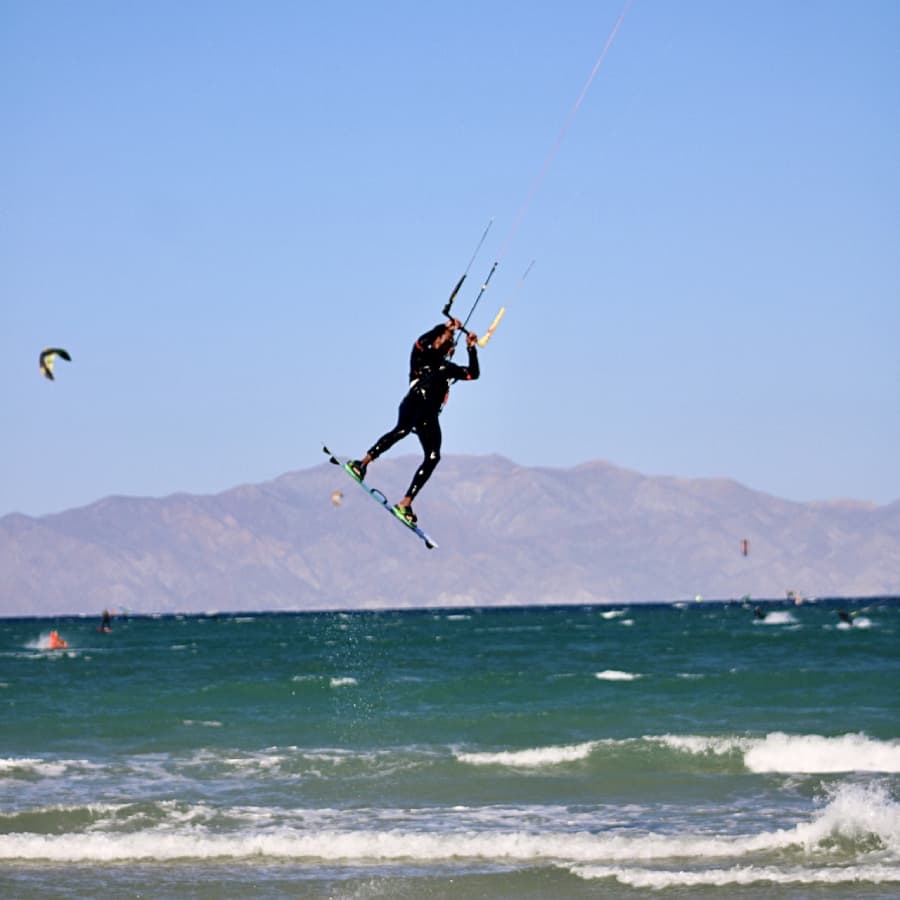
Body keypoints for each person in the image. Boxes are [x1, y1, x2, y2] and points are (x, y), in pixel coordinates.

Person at [348, 318, 480, 524]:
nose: (450, 340)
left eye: (451, 338)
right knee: (402, 430)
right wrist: (444, 327)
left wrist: (471, 348)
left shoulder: (448, 367)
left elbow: (473, 374)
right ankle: (362, 463)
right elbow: (421, 341)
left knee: (434, 456)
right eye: (446, 337)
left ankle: (406, 502)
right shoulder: (422, 355)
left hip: (430, 415)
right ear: (436, 340)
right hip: (415, 402)